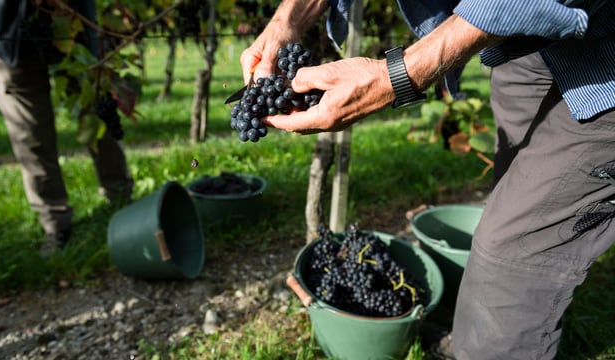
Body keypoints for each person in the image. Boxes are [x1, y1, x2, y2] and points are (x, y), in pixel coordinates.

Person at [240, 0, 615, 359]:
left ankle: (492, 345)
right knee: (519, 202)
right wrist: (286, 21)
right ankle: (487, 335)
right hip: (528, 43)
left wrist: (399, 75)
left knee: (511, 249)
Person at [0, 0, 134, 257]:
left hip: (74, 24)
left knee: (98, 108)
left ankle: (121, 199)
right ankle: (54, 222)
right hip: (10, 30)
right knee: (29, 133)